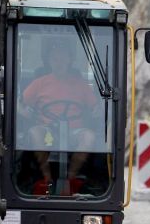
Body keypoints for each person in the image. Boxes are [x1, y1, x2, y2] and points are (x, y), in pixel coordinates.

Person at [21, 40, 99, 196]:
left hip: (74, 130)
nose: (59, 62)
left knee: (89, 137)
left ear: (70, 60)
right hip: (48, 129)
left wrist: (96, 112)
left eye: (63, 58)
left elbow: (95, 107)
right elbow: (19, 104)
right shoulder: (39, 83)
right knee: (35, 133)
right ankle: (46, 177)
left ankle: (71, 179)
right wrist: (27, 114)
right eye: (55, 59)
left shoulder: (81, 84)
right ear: (49, 61)